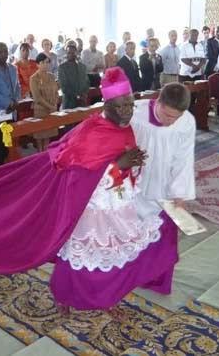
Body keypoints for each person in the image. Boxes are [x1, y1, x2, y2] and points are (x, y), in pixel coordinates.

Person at [50, 67, 178, 314]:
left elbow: (123, 159)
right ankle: (64, 295)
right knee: (84, 254)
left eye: (130, 105)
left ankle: (115, 293)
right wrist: (118, 165)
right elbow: (76, 175)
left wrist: (133, 163)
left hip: (120, 198)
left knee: (141, 237)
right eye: (121, 107)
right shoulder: (91, 131)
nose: (127, 111)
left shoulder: (123, 126)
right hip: (94, 206)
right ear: (106, 105)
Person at [131, 83, 196, 220]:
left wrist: (179, 194)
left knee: (161, 221)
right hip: (135, 178)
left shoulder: (187, 121)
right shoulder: (135, 112)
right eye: (167, 115)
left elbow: (184, 160)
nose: (171, 121)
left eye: (177, 117)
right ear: (158, 102)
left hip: (163, 180)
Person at [29, 53, 59, 151]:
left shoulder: (52, 76)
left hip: (52, 110)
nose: (45, 64)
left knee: (48, 137)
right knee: (40, 136)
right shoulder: (34, 78)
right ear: (37, 64)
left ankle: (46, 155)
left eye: (47, 62)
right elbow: (37, 97)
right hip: (40, 111)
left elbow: (56, 92)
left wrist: (55, 103)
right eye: (42, 62)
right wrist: (50, 106)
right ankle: (40, 155)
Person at [58, 40, 90, 109]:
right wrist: (77, 96)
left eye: (73, 52)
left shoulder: (82, 66)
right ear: (66, 53)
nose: (71, 54)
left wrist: (84, 94)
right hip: (69, 103)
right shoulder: (62, 67)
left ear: (76, 52)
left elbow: (87, 82)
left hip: (82, 102)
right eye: (69, 53)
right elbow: (64, 87)